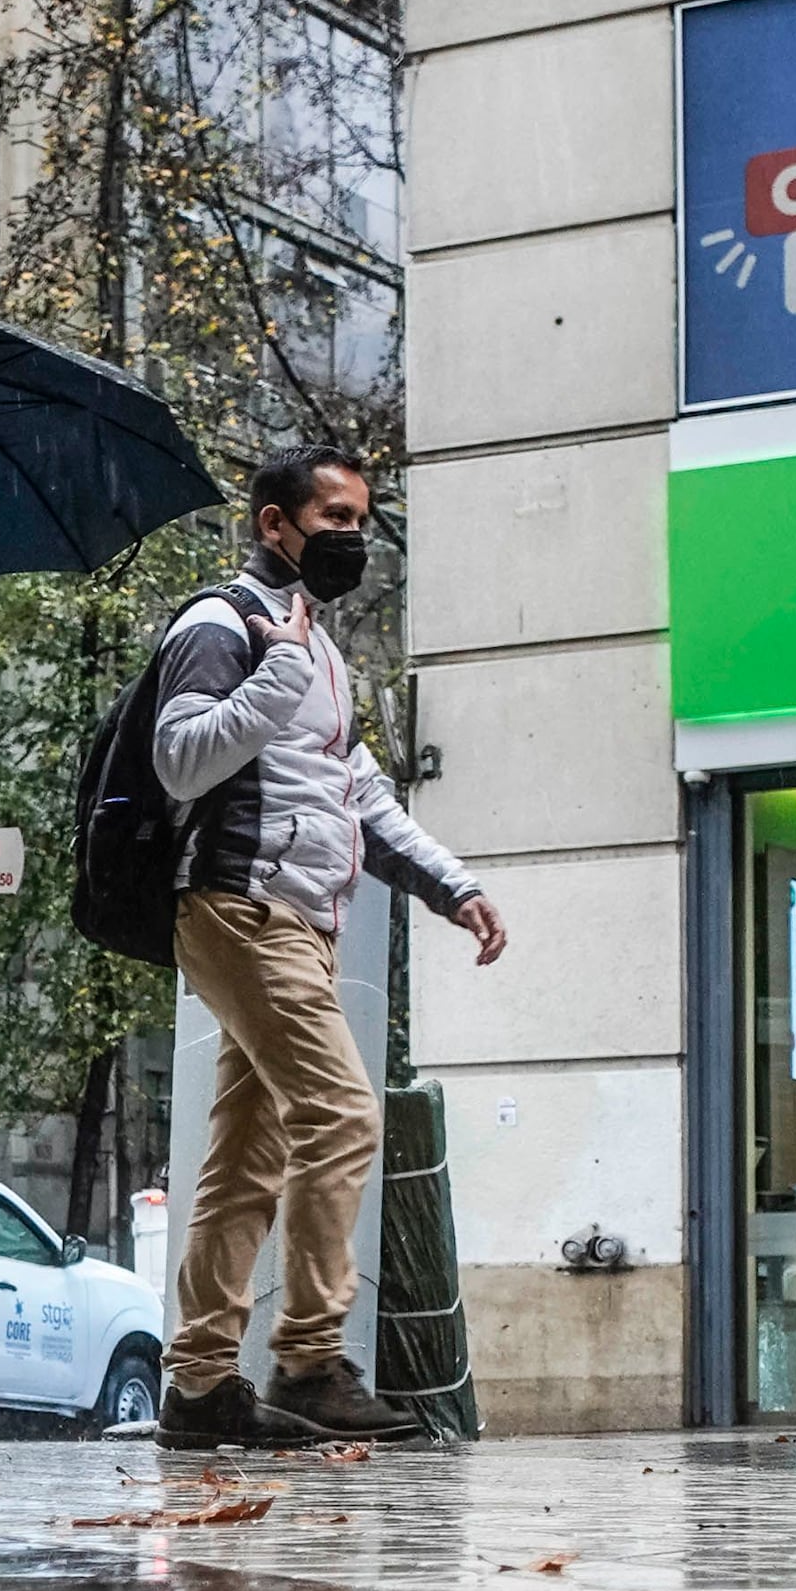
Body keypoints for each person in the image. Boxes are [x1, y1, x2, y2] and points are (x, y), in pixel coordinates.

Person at [146, 449, 506, 1451]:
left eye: (360, 518)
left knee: (244, 1157)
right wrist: (275, 673)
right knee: (343, 1113)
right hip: (237, 905)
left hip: (295, 918)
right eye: (333, 516)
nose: (352, 534)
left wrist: (453, 886)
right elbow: (179, 759)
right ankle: (306, 1359)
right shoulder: (223, 625)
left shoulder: (323, 654)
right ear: (274, 524)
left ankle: (199, 1385)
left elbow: (359, 802)